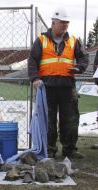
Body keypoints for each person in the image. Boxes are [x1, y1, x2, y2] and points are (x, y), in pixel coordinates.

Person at [28, 8, 89, 159]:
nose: (64, 25)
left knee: (70, 119)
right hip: (46, 87)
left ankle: (69, 150)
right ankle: (49, 149)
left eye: (66, 23)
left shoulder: (73, 41)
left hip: (67, 87)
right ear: (53, 23)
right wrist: (35, 79)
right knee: (48, 120)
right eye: (62, 22)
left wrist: (79, 67)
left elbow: (84, 58)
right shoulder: (41, 41)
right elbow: (32, 61)